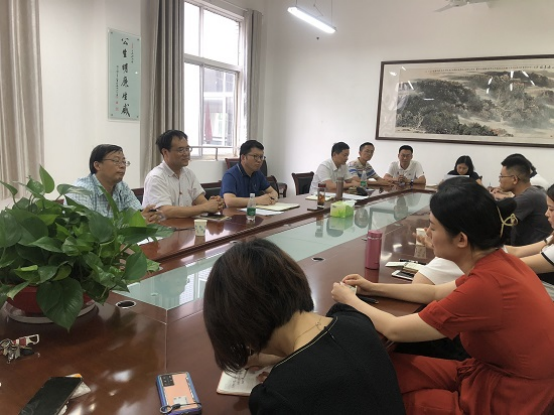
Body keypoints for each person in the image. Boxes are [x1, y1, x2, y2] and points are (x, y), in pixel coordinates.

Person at [331, 177, 554, 414]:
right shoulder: (500, 262)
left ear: (461, 239)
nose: (428, 232)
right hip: (486, 374)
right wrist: (372, 287)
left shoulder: (487, 284)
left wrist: (349, 299)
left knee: (384, 400)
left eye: (433, 227)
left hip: (510, 398)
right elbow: (435, 291)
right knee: (380, 370)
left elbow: (395, 329)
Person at [203, 239, 405, 415]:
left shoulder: (277, 396)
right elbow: (323, 355)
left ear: (241, 324)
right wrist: (269, 356)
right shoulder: (354, 320)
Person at [142, 130, 225, 219]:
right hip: (164, 227)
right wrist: (205, 207)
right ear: (165, 152)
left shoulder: (188, 174)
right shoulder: (156, 177)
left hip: (186, 225)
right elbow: (165, 211)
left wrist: (214, 204)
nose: (186, 153)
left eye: (187, 149)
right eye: (180, 150)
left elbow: (201, 201)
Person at [70, 144, 160, 222]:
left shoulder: (122, 187)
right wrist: (138, 221)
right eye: (116, 161)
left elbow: (138, 215)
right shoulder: (81, 191)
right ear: (97, 165)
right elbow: (84, 230)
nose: (122, 166)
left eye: (124, 162)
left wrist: (148, 217)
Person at [495, 154, 550, 246]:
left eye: (502, 176)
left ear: (514, 179)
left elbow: (495, 215)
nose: (499, 180)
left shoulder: (528, 197)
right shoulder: (533, 192)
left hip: (532, 252)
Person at [220, 140, 278, 208]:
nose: (259, 160)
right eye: (255, 156)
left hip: (252, 212)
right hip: (234, 213)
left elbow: (273, 192)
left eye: (261, 157)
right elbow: (229, 201)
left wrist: (272, 198)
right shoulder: (230, 175)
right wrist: (257, 200)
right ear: (243, 157)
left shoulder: (257, 173)